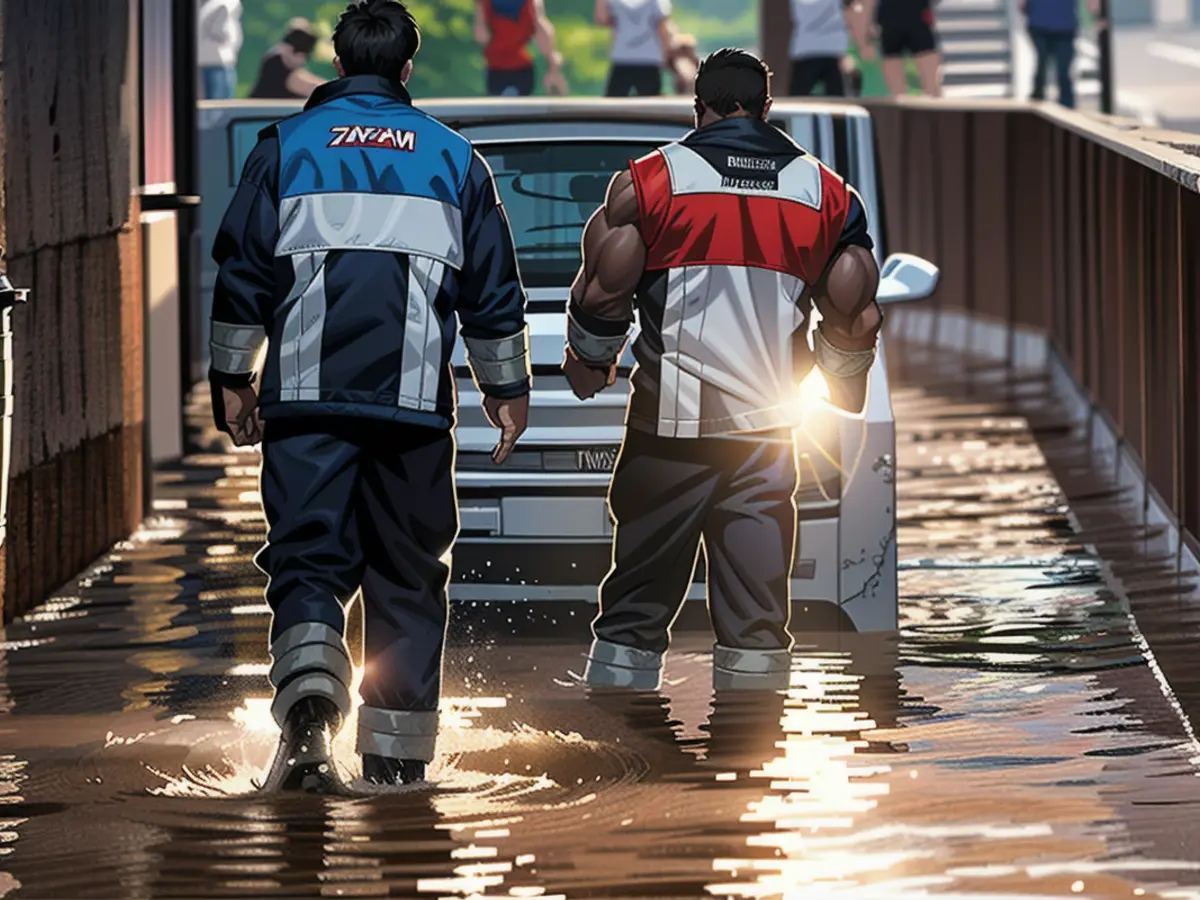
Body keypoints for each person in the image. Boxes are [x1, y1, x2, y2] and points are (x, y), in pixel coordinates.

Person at [209, 0, 531, 793]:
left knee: (307, 558)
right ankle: (396, 774)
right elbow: (493, 292)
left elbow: (243, 271)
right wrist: (507, 391)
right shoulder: (456, 159)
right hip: (415, 411)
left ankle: (312, 714)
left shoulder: (284, 150)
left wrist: (231, 380)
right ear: (407, 69)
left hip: (307, 406)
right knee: (408, 577)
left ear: (339, 62)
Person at [561, 48, 881, 692]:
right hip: (768, 439)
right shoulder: (825, 192)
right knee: (760, 623)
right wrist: (842, 379)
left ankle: (616, 747)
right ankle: (751, 762)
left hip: (666, 431)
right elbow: (855, 309)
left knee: (632, 612)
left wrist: (590, 363)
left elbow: (603, 292)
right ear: (767, 109)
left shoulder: (650, 182)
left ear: (697, 107)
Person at [474, 0, 569, 97]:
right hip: (496, 70)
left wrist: (552, 65)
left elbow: (541, 30)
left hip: (520, 70)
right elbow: (482, 37)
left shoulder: (530, 4)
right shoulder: (486, 3)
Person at [1021, 0, 1102, 109]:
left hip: (1060, 26)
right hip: (1045, 23)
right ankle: (1041, 99)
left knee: (1060, 69)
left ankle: (1064, 104)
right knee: (1046, 66)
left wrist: (1096, 15)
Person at [788, 0, 873, 96]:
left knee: (797, 99)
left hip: (806, 49)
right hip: (833, 49)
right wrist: (862, 45)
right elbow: (853, 12)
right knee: (839, 101)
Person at [595, 0, 673, 97]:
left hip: (625, 57)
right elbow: (664, 27)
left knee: (615, 103)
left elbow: (602, 19)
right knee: (650, 104)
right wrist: (665, 54)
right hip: (645, 58)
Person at [866, 0, 942, 97]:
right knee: (898, 91)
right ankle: (929, 100)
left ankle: (933, 101)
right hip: (894, 16)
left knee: (931, 85)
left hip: (912, 14)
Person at [249, 17, 327, 100]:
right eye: (305, 56)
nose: (303, 62)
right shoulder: (277, 66)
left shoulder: (278, 57)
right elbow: (315, 88)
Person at [197, 0, 243, 100]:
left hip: (204, 60)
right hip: (220, 61)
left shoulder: (210, 5)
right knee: (222, 103)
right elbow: (218, 30)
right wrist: (231, 39)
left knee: (210, 100)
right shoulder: (228, 3)